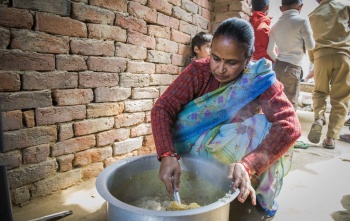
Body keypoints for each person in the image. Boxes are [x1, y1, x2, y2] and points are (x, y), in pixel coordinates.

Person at [151, 17, 301, 220]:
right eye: (215, 58)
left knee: (264, 126)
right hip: (189, 146)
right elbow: (163, 107)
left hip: (228, 150)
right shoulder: (199, 71)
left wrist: (249, 164)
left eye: (231, 62)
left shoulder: (258, 79)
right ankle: (214, 180)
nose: (220, 69)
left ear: (248, 60)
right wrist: (167, 153)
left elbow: (289, 126)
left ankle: (249, 194)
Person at [307, 0, 350, 149]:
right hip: (343, 54)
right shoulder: (345, 7)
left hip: (321, 56)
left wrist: (314, 59)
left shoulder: (314, 14)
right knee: (341, 98)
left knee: (319, 92)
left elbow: (311, 40)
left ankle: (319, 119)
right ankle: (330, 138)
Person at [267, 0, 315, 110]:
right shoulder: (302, 22)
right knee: (290, 103)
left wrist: (279, 61)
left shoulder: (275, 26)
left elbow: (270, 50)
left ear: (281, 8)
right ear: (300, 7)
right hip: (293, 67)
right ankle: (288, 127)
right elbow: (310, 46)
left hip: (278, 67)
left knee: (277, 99)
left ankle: (276, 125)